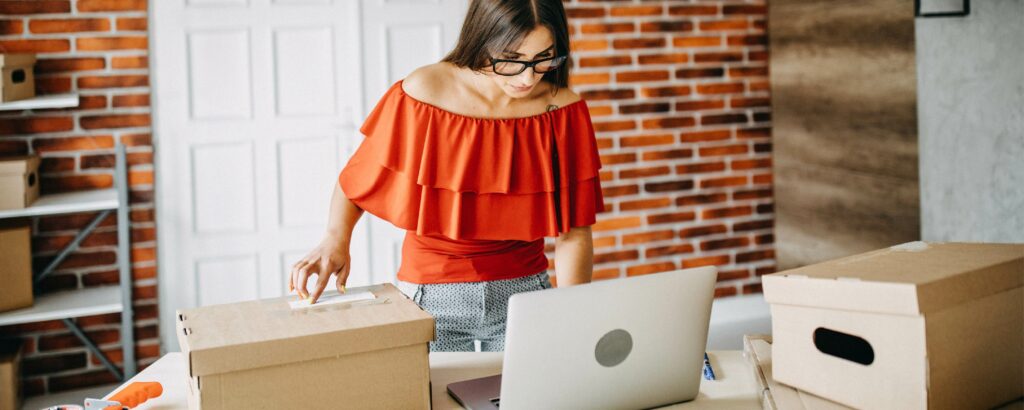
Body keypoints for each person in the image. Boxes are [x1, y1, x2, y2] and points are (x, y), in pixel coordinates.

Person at [288, 0, 604, 352]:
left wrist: (575, 312)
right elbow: (360, 177)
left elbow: (575, 232)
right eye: (512, 59)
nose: (528, 77)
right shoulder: (425, 91)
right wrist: (336, 238)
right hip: (432, 295)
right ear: (482, 39)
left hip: (525, 293)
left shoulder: (562, 109)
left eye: (544, 58)